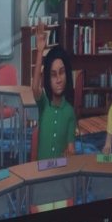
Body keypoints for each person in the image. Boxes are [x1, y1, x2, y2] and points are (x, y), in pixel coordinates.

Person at [31, 21, 76, 159]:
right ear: (48, 79)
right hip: (40, 173)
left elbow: (71, 148)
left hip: (59, 174)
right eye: (53, 74)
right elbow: (35, 88)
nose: (58, 79)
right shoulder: (44, 104)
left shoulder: (69, 111)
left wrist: (69, 155)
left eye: (61, 73)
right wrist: (40, 52)